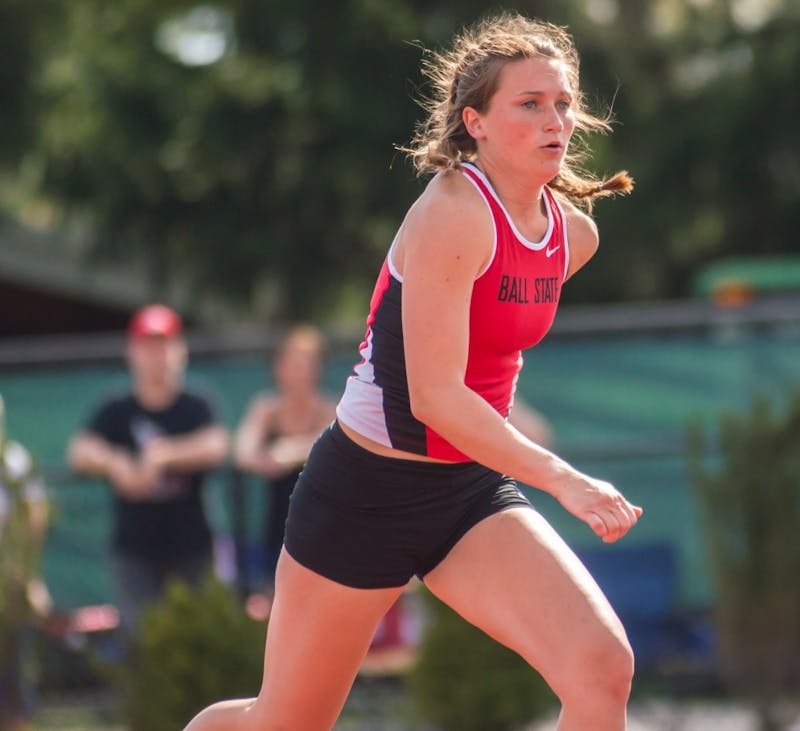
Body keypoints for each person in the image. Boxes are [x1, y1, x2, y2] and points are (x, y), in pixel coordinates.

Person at [184, 12, 642, 731]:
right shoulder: (453, 212)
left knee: (602, 669)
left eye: (563, 102)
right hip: (364, 491)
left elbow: (495, 347)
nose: (555, 118)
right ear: (475, 121)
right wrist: (563, 476)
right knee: (283, 722)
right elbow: (433, 397)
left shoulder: (571, 235)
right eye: (529, 103)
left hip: (467, 493)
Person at [67, 304, 229, 632]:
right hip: (134, 552)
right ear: (133, 352)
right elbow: (79, 451)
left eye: (165, 345)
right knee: (141, 641)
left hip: (192, 548)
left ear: (179, 351)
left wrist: (164, 456)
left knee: (196, 638)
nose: (157, 355)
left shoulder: (197, 405)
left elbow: (217, 445)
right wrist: (117, 464)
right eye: (148, 346)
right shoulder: (115, 408)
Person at [234, 325, 337, 591]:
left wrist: (292, 452)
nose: (300, 371)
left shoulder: (331, 409)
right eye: (293, 363)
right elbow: (243, 452)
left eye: (306, 363)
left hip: (324, 530)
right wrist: (268, 461)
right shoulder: (266, 409)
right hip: (276, 530)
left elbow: (333, 446)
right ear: (278, 368)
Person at [0, 395, 51, 731]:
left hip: (10, 603)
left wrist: (30, 579)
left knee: (15, 699)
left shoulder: (15, 463)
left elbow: (35, 518)